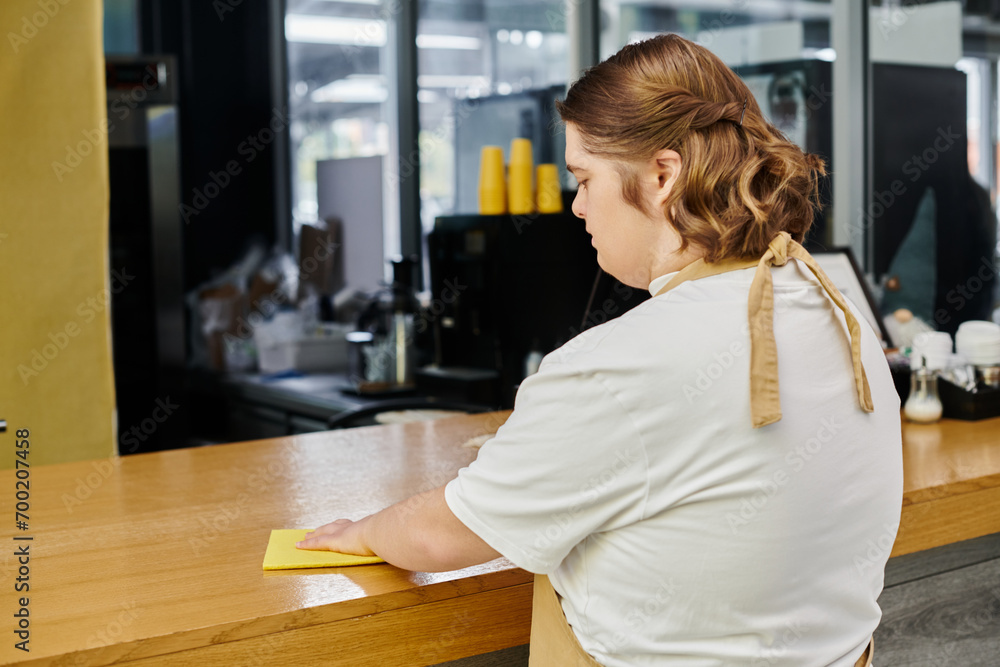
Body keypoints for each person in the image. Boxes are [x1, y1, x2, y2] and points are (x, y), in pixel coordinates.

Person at [297, 34, 903, 667]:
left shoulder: (617, 365)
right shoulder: (838, 313)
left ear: (663, 176)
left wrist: (365, 530)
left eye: (585, 179)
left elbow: (440, 537)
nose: (578, 207)